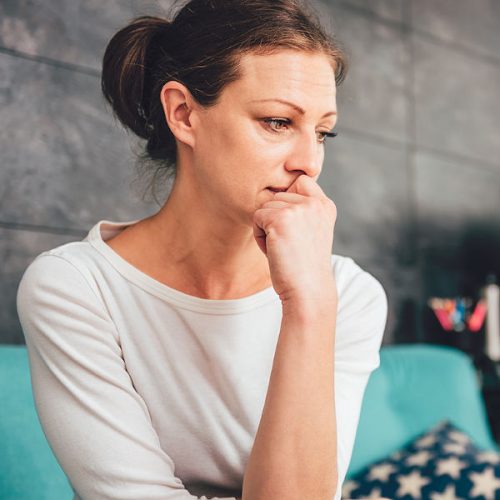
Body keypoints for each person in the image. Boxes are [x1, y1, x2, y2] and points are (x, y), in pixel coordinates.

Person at [16, 0, 388, 499]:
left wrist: (310, 305)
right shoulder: (74, 288)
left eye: (322, 132)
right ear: (184, 113)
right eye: (278, 122)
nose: (309, 163)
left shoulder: (347, 294)